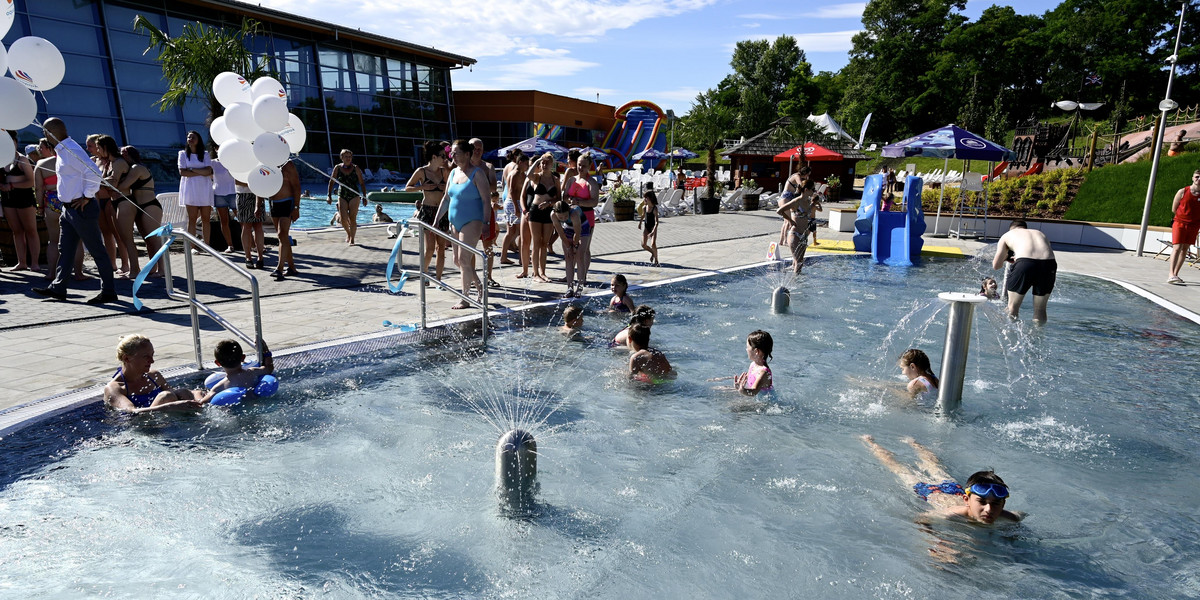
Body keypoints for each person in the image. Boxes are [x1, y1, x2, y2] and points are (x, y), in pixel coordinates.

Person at [34, 117, 118, 304]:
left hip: (81, 209)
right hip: (68, 209)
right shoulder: (63, 150)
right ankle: (58, 288)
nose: (44, 135)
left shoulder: (71, 150)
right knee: (66, 249)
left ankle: (109, 291)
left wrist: (88, 196)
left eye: (45, 132)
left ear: (52, 133)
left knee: (97, 250)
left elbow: (94, 173)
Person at [860, 436, 1022, 526]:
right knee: (899, 468)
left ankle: (914, 443)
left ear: (1003, 505)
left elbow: (1020, 515)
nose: (989, 509)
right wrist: (934, 542)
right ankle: (870, 442)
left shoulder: (1006, 516)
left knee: (935, 466)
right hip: (929, 492)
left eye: (995, 504)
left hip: (953, 488)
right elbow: (922, 518)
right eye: (982, 501)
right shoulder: (952, 514)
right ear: (967, 500)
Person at [434, 139, 493, 309]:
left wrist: (486, 222)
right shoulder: (453, 173)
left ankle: (465, 297)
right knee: (458, 261)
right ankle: (479, 287)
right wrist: (437, 219)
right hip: (454, 221)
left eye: (455, 152)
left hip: (472, 221)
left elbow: (486, 200)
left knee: (463, 259)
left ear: (467, 154)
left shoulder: (477, 173)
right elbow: (446, 198)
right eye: (451, 152)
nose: (451, 155)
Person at [103, 334, 202, 412]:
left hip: (163, 421)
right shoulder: (115, 388)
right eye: (146, 356)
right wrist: (171, 406)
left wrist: (200, 397)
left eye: (152, 355)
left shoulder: (154, 376)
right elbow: (132, 411)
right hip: (139, 428)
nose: (152, 361)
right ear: (126, 358)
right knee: (166, 396)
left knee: (183, 392)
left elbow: (176, 393)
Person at [992, 219, 1057, 321]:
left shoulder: (1008, 235)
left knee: (1012, 307)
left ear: (1011, 229)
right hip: (1048, 265)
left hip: (1025, 264)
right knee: (1040, 309)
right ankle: (1038, 335)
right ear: (1025, 228)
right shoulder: (1039, 233)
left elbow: (996, 265)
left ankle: (1009, 334)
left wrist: (1006, 258)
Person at [115, 145, 164, 278]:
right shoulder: (131, 168)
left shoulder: (137, 168)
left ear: (128, 154)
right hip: (139, 207)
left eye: (122, 154)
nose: (121, 156)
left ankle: (163, 269)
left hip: (150, 206)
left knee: (154, 240)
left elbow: (124, 186)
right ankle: (153, 268)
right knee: (147, 240)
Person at [405, 140, 448, 286]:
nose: (445, 159)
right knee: (430, 247)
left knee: (441, 247)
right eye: (443, 156)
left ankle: (439, 279)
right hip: (428, 210)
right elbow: (407, 187)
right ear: (434, 157)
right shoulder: (421, 171)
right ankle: (424, 274)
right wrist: (422, 187)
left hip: (441, 212)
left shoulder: (444, 172)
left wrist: (445, 188)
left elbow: (452, 190)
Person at [1, 130, 41, 272]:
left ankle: (35, 263)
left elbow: (31, 181)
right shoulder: (2, 160)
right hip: (8, 199)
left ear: (15, 143)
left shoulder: (22, 159)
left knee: (30, 230)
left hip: (24, 197)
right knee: (16, 231)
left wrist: (11, 185)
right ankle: (21, 262)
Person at [94, 135, 133, 275]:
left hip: (117, 201)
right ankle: (112, 263)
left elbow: (113, 182)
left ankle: (126, 265)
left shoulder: (119, 162)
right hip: (104, 200)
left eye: (99, 147)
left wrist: (95, 181)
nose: (97, 150)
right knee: (107, 233)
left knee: (119, 234)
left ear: (106, 147)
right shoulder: (108, 162)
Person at [198, 338, 275, 403]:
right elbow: (269, 368)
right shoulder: (253, 372)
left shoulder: (221, 386)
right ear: (243, 358)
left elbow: (202, 403)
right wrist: (266, 351)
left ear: (217, 363)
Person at [564, 154, 600, 286]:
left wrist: (578, 201)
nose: (580, 168)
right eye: (579, 164)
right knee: (571, 249)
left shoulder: (592, 183)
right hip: (571, 218)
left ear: (589, 167)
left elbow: (594, 201)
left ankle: (583, 275)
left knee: (583, 250)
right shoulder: (572, 180)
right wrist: (569, 200)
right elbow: (565, 196)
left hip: (586, 218)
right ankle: (570, 275)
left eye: (584, 166)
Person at [522, 153, 558, 283]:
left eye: (547, 162)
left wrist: (549, 203)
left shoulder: (555, 180)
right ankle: (535, 273)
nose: (544, 165)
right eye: (542, 163)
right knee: (536, 242)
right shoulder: (537, 177)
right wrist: (537, 159)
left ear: (552, 164)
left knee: (545, 243)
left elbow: (558, 197)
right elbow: (528, 174)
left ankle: (543, 272)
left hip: (548, 211)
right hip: (535, 211)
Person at [178, 130, 214, 248]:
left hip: (204, 189)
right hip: (190, 189)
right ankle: (192, 246)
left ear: (198, 140)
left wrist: (192, 169)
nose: (190, 139)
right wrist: (201, 172)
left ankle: (207, 245)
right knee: (192, 219)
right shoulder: (182, 154)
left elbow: (209, 171)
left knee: (206, 219)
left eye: (193, 137)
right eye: (189, 137)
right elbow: (183, 172)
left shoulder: (205, 154)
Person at [269, 160, 301, 279]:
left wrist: (297, 207)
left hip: (287, 202)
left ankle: (279, 268)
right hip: (273, 202)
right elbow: (260, 184)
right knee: (282, 237)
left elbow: (297, 186)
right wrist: (258, 204)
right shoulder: (266, 164)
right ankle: (292, 268)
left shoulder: (288, 165)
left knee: (282, 234)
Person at [1167, 170, 1200, 285]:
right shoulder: (1182, 191)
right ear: (1192, 178)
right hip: (1180, 223)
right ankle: (1171, 274)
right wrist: (1182, 217)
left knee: (1185, 249)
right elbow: (1174, 208)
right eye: (1197, 177)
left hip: (1194, 225)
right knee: (1177, 247)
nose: (1199, 179)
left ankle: (1175, 274)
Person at [327, 149, 366, 245]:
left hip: (354, 195)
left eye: (350, 157)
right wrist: (329, 195)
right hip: (342, 194)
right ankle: (349, 234)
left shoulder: (356, 168)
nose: (348, 158)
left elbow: (361, 183)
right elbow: (331, 181)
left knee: (353, 218)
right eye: (346, 157)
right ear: (342, 158)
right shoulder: (337, 168)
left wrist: (364, 197)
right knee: (343, 218)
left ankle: (352, 239)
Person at [776, 178, 815, 275]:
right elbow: (779, 211)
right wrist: (790, 220)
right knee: (798, 262)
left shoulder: (808, 201)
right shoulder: (796, 201)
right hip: (795, 234)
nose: (814, 191)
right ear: (806, 190)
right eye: (812, 189)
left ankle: (796, 280)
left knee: (800, 262)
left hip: (804, 235)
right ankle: (796, 284)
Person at [551, 200, 588, 297]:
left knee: (579, 257)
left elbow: (577, 233)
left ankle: (579, 288)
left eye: (565, 216)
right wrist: (568, 247)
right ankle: (569, 288)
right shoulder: (553, 215)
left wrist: (575, 246)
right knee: (568, 258)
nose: (563, 218)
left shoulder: (574, 213)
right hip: (567, 228)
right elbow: (561, 233)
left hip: (582, 227)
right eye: (561, 217)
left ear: (568, 212)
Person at [499, 150, 527, 266]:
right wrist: (516, 207)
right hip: (513, 202)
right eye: (526, 164)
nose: (527, 166)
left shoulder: (521, 173)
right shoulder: (515, 173)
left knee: (516, 231)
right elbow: (512, 190)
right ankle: (505, 256)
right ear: (520, 162)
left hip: (515, 202)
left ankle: (517, 257)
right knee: (513, 231)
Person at [210, 145, 238, 254]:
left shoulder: (232, 162)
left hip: (233, 193)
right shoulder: (213, 162)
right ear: (216, 150)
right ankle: (230, 245)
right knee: (224, 221)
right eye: (218, 148)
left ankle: (252, 244)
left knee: (241, 220)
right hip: (219, 194)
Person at [234, 174, 266, 269]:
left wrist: (257, 186)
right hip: (243, 194)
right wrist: (254, 185)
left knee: (258, 226)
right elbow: (236, 180)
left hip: (258, 194)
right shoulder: (239, 165)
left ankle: (260, 257)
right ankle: (248, 257)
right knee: (246, 226)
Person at [729, 329, 774, 396]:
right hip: (754, 397)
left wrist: (742, 390)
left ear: (756, 351)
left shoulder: (763, 372)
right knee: (720, 389)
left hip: (764, 403)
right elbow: (748, 380)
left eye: (747, 347)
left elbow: (753, 392)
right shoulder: (753, 364)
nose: (746, 349)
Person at [639, 189, 660, 266]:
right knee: (643, 244)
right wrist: (640, 223)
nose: (644, 199)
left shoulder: (654, 209)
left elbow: (657, 222)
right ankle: (652, 253)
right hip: (646, 228)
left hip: (653, 228)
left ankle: (656, 260)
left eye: (646, 198)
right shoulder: (645, 207)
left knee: (653, 244)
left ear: (650, 198)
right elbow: (643, 215)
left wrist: (652, 232)